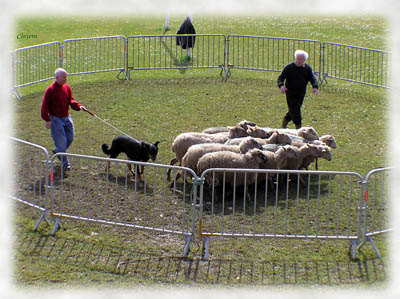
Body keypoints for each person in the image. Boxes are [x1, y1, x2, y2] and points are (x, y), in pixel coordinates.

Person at [41, 68, 88, 170]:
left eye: (66, 77)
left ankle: (58, 151)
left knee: (70, 138)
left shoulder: (66, 87)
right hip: (56, 119)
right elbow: (44, 106)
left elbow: (71, 100)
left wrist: (79, 106)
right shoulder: (50, 90)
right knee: (61, 141)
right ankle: (65, 163)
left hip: (67, 117)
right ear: (57, 78)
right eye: (64, 78)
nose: (66, 80)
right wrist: (47, 120)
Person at [277, 50, 319, 129]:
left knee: (294, 109)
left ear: (304, 60)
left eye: (301, 59)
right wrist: (281, 86)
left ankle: (284, 121)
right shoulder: (289, 67)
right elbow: (281, 78)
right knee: (295, 109)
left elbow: (312, 78)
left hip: (301, 93)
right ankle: (299, 128)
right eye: (297, 59)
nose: (299, 61)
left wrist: (315, 87)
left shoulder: (307, 69)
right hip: (290, 92)